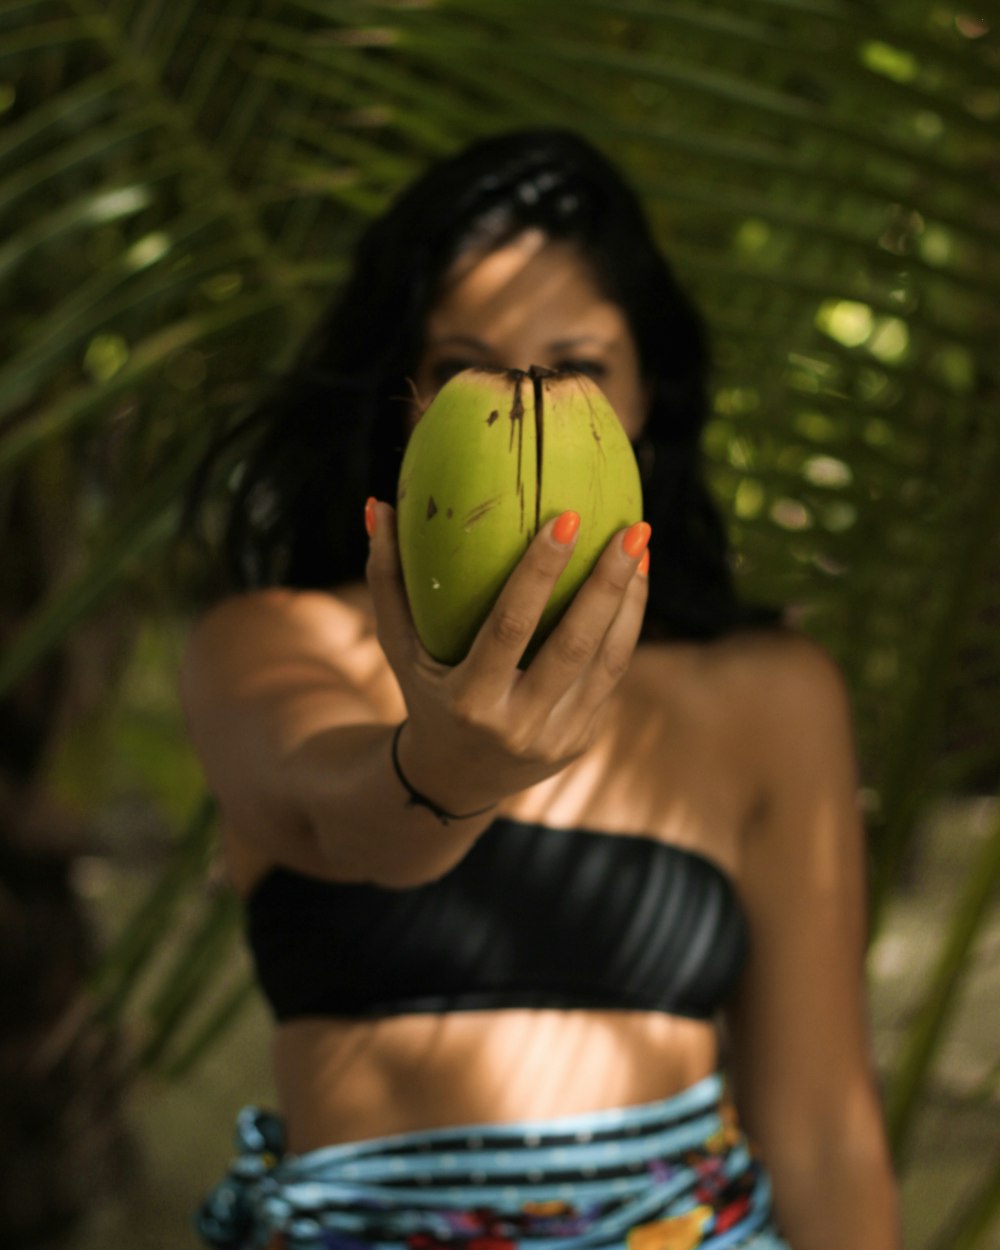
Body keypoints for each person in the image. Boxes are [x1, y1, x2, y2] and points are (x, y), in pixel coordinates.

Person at [182, 129, 900, 1250]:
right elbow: (340, 810)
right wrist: (445, 772)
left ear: (646, 396)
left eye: (575, 369)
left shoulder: (767, 693)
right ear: (401, 407)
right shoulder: (275, 645)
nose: (519, 414)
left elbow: (817, 1129)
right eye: (466, 368)